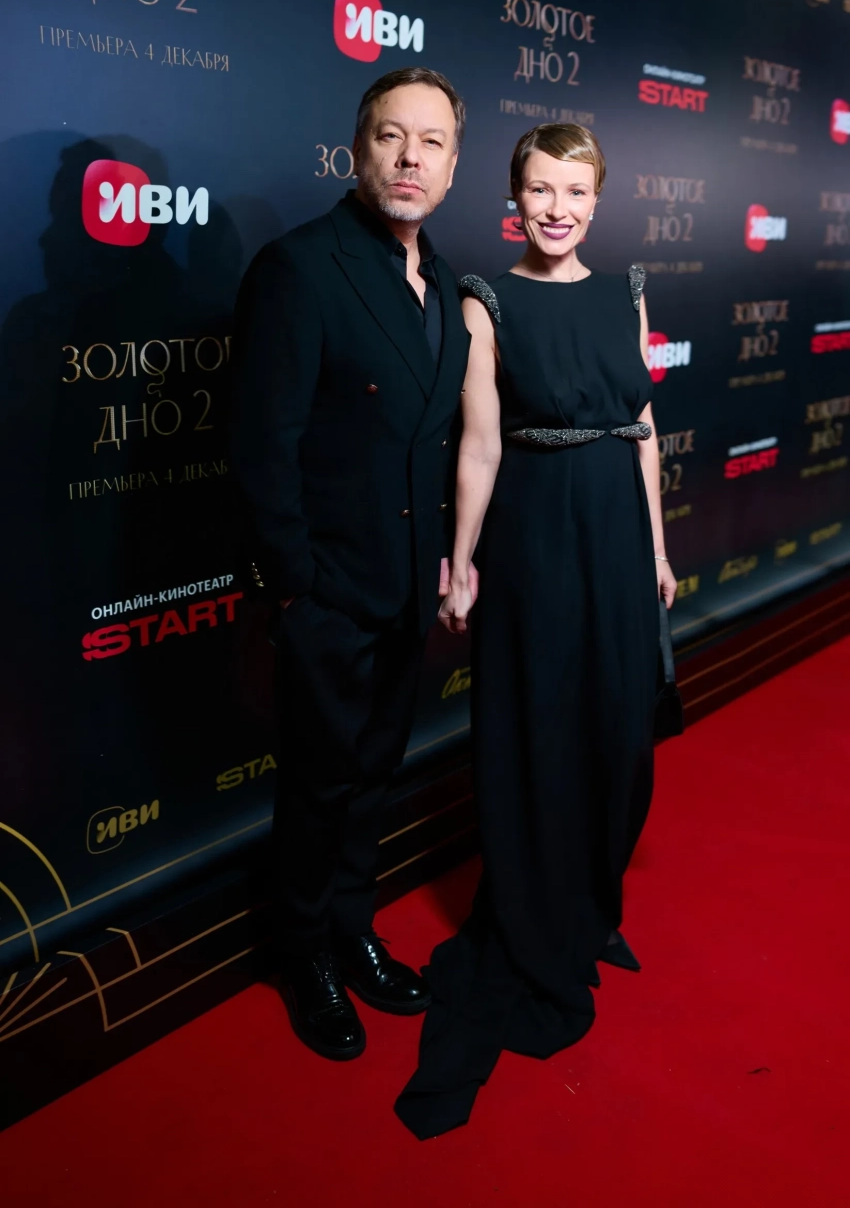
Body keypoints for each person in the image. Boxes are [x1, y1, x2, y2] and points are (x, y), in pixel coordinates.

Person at [395, 123, 677, 1137]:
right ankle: (536, 916)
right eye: (541, 190)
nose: (558, 209)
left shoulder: (625, 289)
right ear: (515, 198)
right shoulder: (488, 300)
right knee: (539, 731)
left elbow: (642, 431)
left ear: (598, 199)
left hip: (615, 533)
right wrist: (462, 559)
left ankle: (589, 905)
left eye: (575, 191)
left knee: (618, 735)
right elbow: (477, 448)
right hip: (534, 537)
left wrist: (656, 550)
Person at [229, 67, 472, 1061]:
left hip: (408, 586)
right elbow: (262, 448)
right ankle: (303, 955)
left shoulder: (449, 286)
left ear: (453, 167)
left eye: (432, 142)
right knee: (318, 786)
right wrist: (297, 590)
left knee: (372, 777)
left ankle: (350, 926)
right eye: (391, 136)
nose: (410, 158)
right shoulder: (298, 268)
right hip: (327, 595)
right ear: (358, 148)